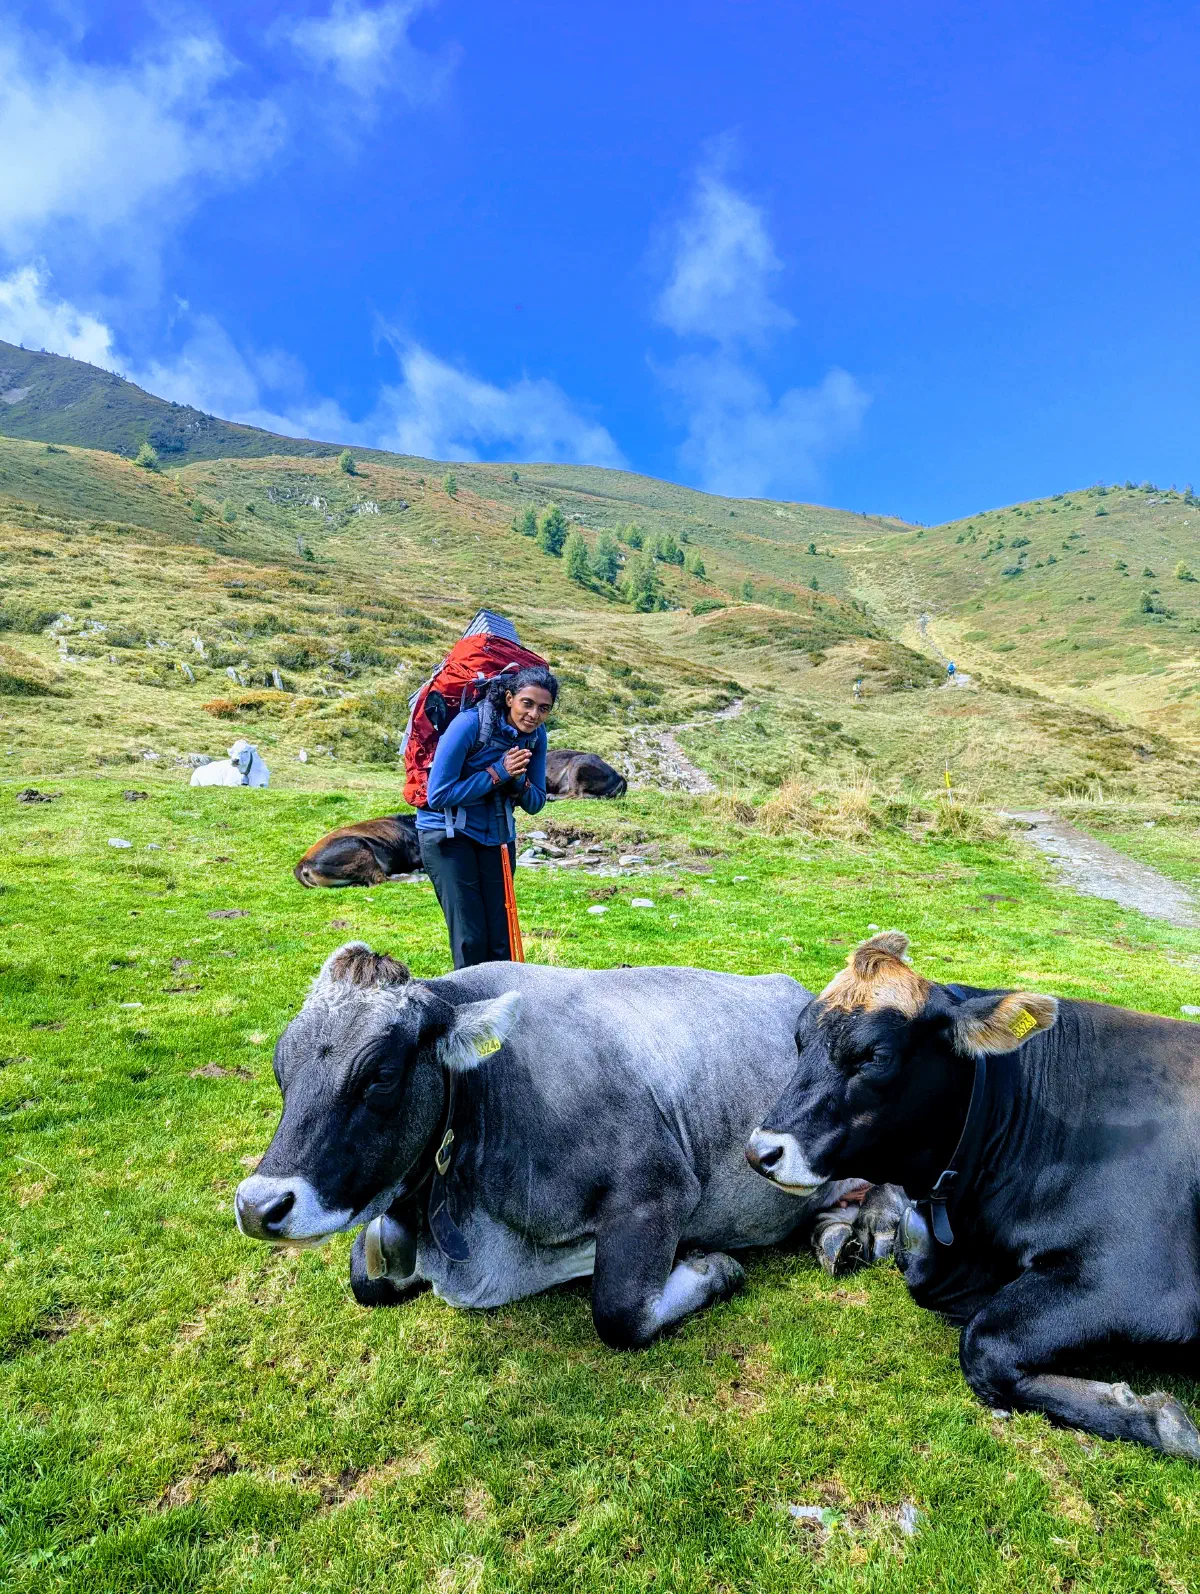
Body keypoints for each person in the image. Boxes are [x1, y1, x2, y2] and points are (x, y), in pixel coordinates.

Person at [417, 664, 557, 968]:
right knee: (471, 939)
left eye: (543, 709)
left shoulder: (536, 737)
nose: (534, 714)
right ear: (510, 698)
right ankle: (470, 1011)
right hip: (448, 835)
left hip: (497, 835)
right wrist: (497, 773)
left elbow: (535, 803)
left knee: (501, 940)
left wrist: (517, 780)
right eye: (527, 703)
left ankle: (502, 1011)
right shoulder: (469, 725)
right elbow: (437, 795)